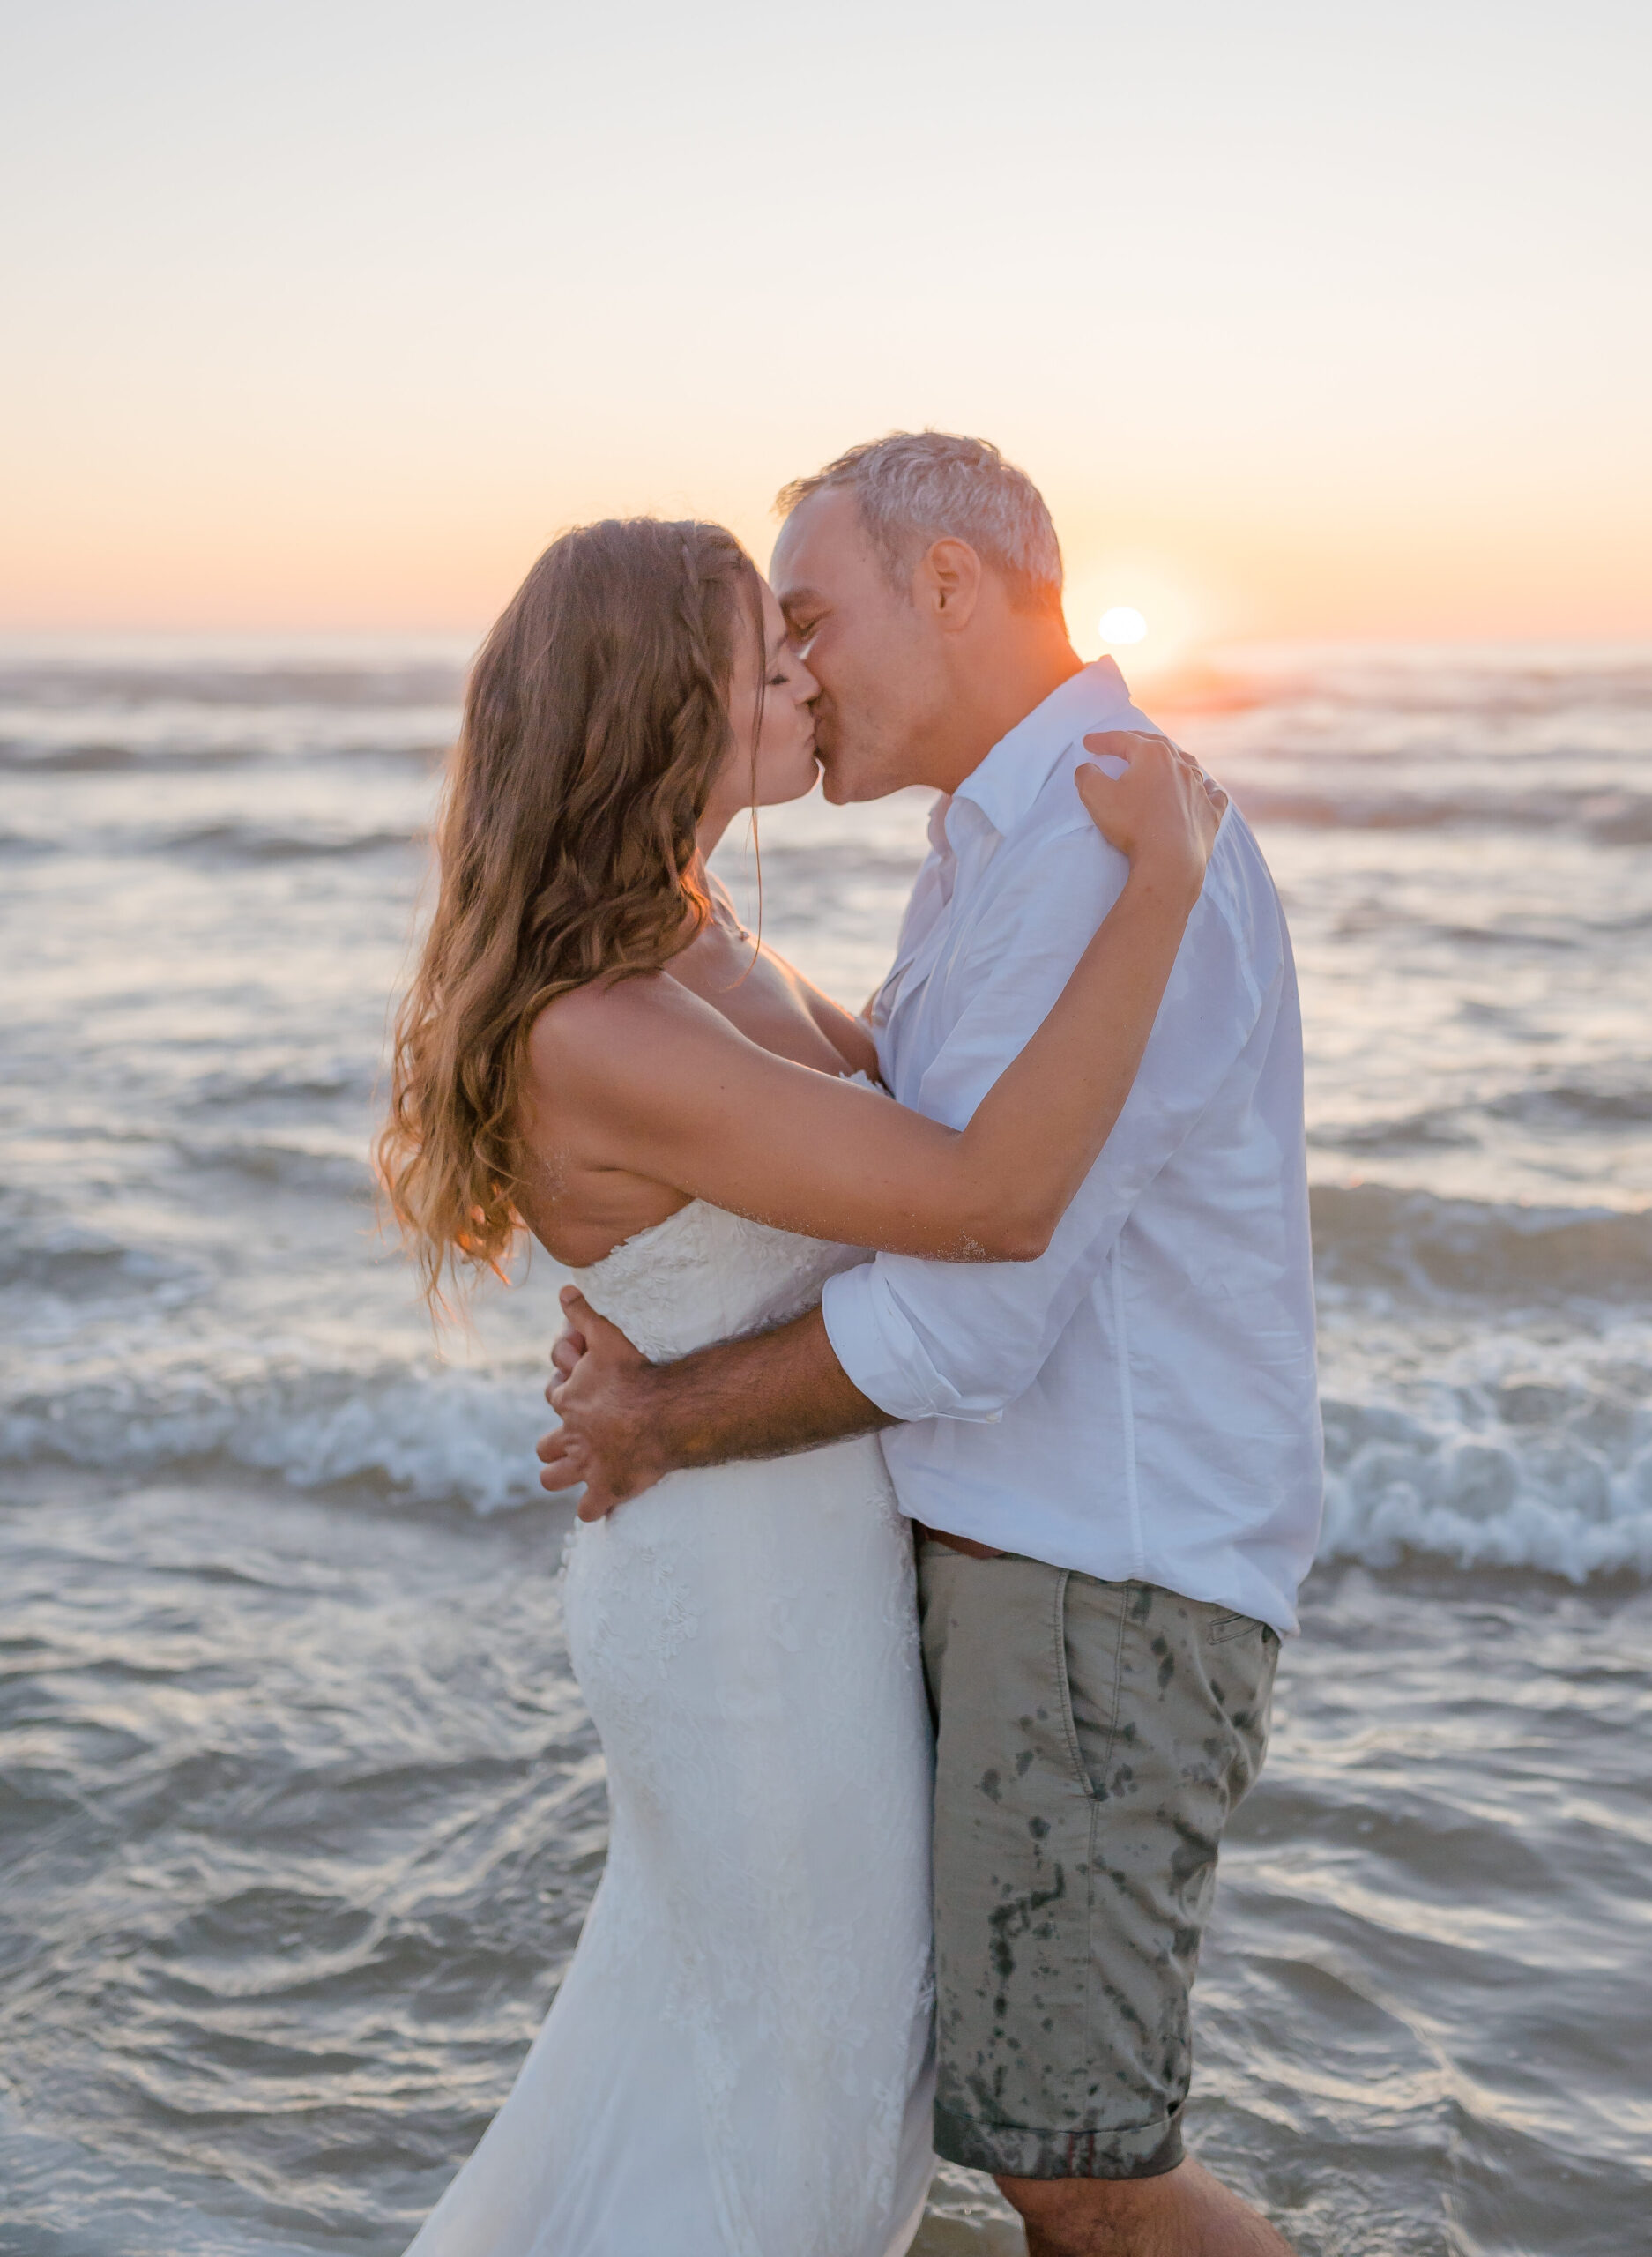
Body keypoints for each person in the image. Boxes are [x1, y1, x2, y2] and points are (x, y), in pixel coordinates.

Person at [378, 505, 1221, 2257]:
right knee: (801, 2105)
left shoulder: (694, 932)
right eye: (769, 661)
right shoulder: (597, 1023)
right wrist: (1162, 887)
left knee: (765, 2065)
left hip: (793, 1566)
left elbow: (901, 1118)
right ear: (660, 714)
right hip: (742, 1615)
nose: (809, 677)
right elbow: (985, 1195)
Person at [538, 434, 1324, 2257]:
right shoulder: (993, 846)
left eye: (813, 620)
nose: (800, 674)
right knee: (1028, 2137)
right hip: (1011, 1567)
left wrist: (672, 1409)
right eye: (773, 651)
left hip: (1097, 1571)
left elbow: (978, 1281)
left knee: (1083, 2166)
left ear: (952, 586)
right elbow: (882, 1135)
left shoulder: (1103, 846)